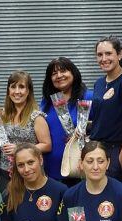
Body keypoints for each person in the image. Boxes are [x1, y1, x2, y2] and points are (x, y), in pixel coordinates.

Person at [88, 36, 122, 182]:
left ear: (120, 54)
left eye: (108, 53)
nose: (104, 58)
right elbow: (104, 118)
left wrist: (119, 161)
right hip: (97, 150)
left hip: (116, 150)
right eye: (99, 55)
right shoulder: (99, 83)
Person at [0, 71, 52, 195]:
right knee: (9, 207)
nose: (17, 91)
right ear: (8, 90)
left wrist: (20, 149)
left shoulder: (36, 117)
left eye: (21, 87)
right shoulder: (3, 115)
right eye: (13, 87)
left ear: (28, 91)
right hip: (4, 170)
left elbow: (47, 145)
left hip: (30, 170)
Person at [39, 57, 93, 186]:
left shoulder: (88, 97)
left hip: (79, 168)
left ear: (73, 73)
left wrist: (87, 134)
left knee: (77, 205)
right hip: (51, 169)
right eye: (54, 73)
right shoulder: (47, 101)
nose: (59, 76)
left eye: (63, 71)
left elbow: (100, 127)